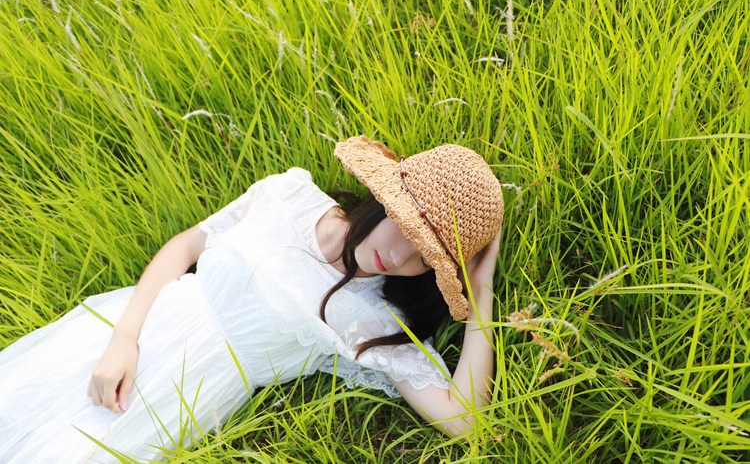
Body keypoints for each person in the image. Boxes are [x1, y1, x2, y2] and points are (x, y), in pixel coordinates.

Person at [0, 135, 505, 463]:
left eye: (424, 256)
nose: (397, 258)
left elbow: (464, 420)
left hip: (179, 395)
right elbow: (188, 245)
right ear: (385, 198)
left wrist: (480, 296)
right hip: (134, 322)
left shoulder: (372, 317)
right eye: (406, 229)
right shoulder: (291, 195)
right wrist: (124, 338)